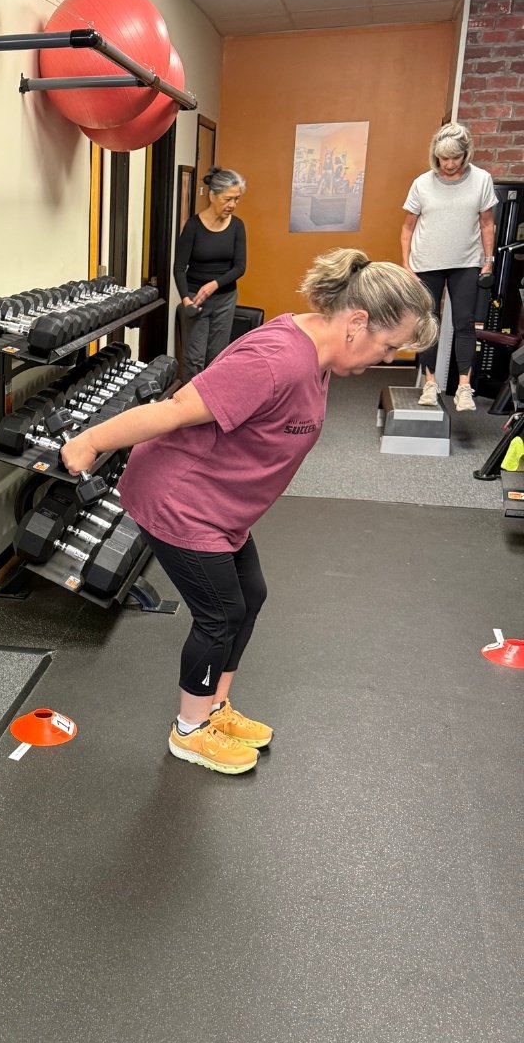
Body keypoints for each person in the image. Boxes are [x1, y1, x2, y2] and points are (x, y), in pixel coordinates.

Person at [61, 250, 437, 777]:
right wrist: (91, 441)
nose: (388, 357)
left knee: (249, 597)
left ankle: (214, 708)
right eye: (389, 344)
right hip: (181, 500)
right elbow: (172, 410)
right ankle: (189, 731)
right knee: (219, 615)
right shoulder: (274, 360)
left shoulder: (319, 355)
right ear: (356, 323)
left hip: (222, 507)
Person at [401, 122, 497, 411]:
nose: (450, 164)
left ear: (465, 155)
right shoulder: (422, 183)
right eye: (444, 158)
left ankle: (464, 387)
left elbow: (487, 223)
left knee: (465, 323)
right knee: (430, 321)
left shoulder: (481, 180)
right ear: (436, 156)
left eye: (456, 157)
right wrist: (406, 265)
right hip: (426, 262)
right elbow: (407, 228)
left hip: (466, 261)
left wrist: (488, 260)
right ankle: (430, 383)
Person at [173, 167, 247, 382]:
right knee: (193, 359)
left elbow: (240, 267)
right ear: (213, 195)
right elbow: (179, 268)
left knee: (217, 358)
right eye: (228, 199)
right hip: (196, 299)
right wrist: (186, 300)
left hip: (225, 299)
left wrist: (214, 284)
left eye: (236, 199)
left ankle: (210, 408)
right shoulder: (193, 226)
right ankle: (188, 408)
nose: (232, 205)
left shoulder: (237, 226)